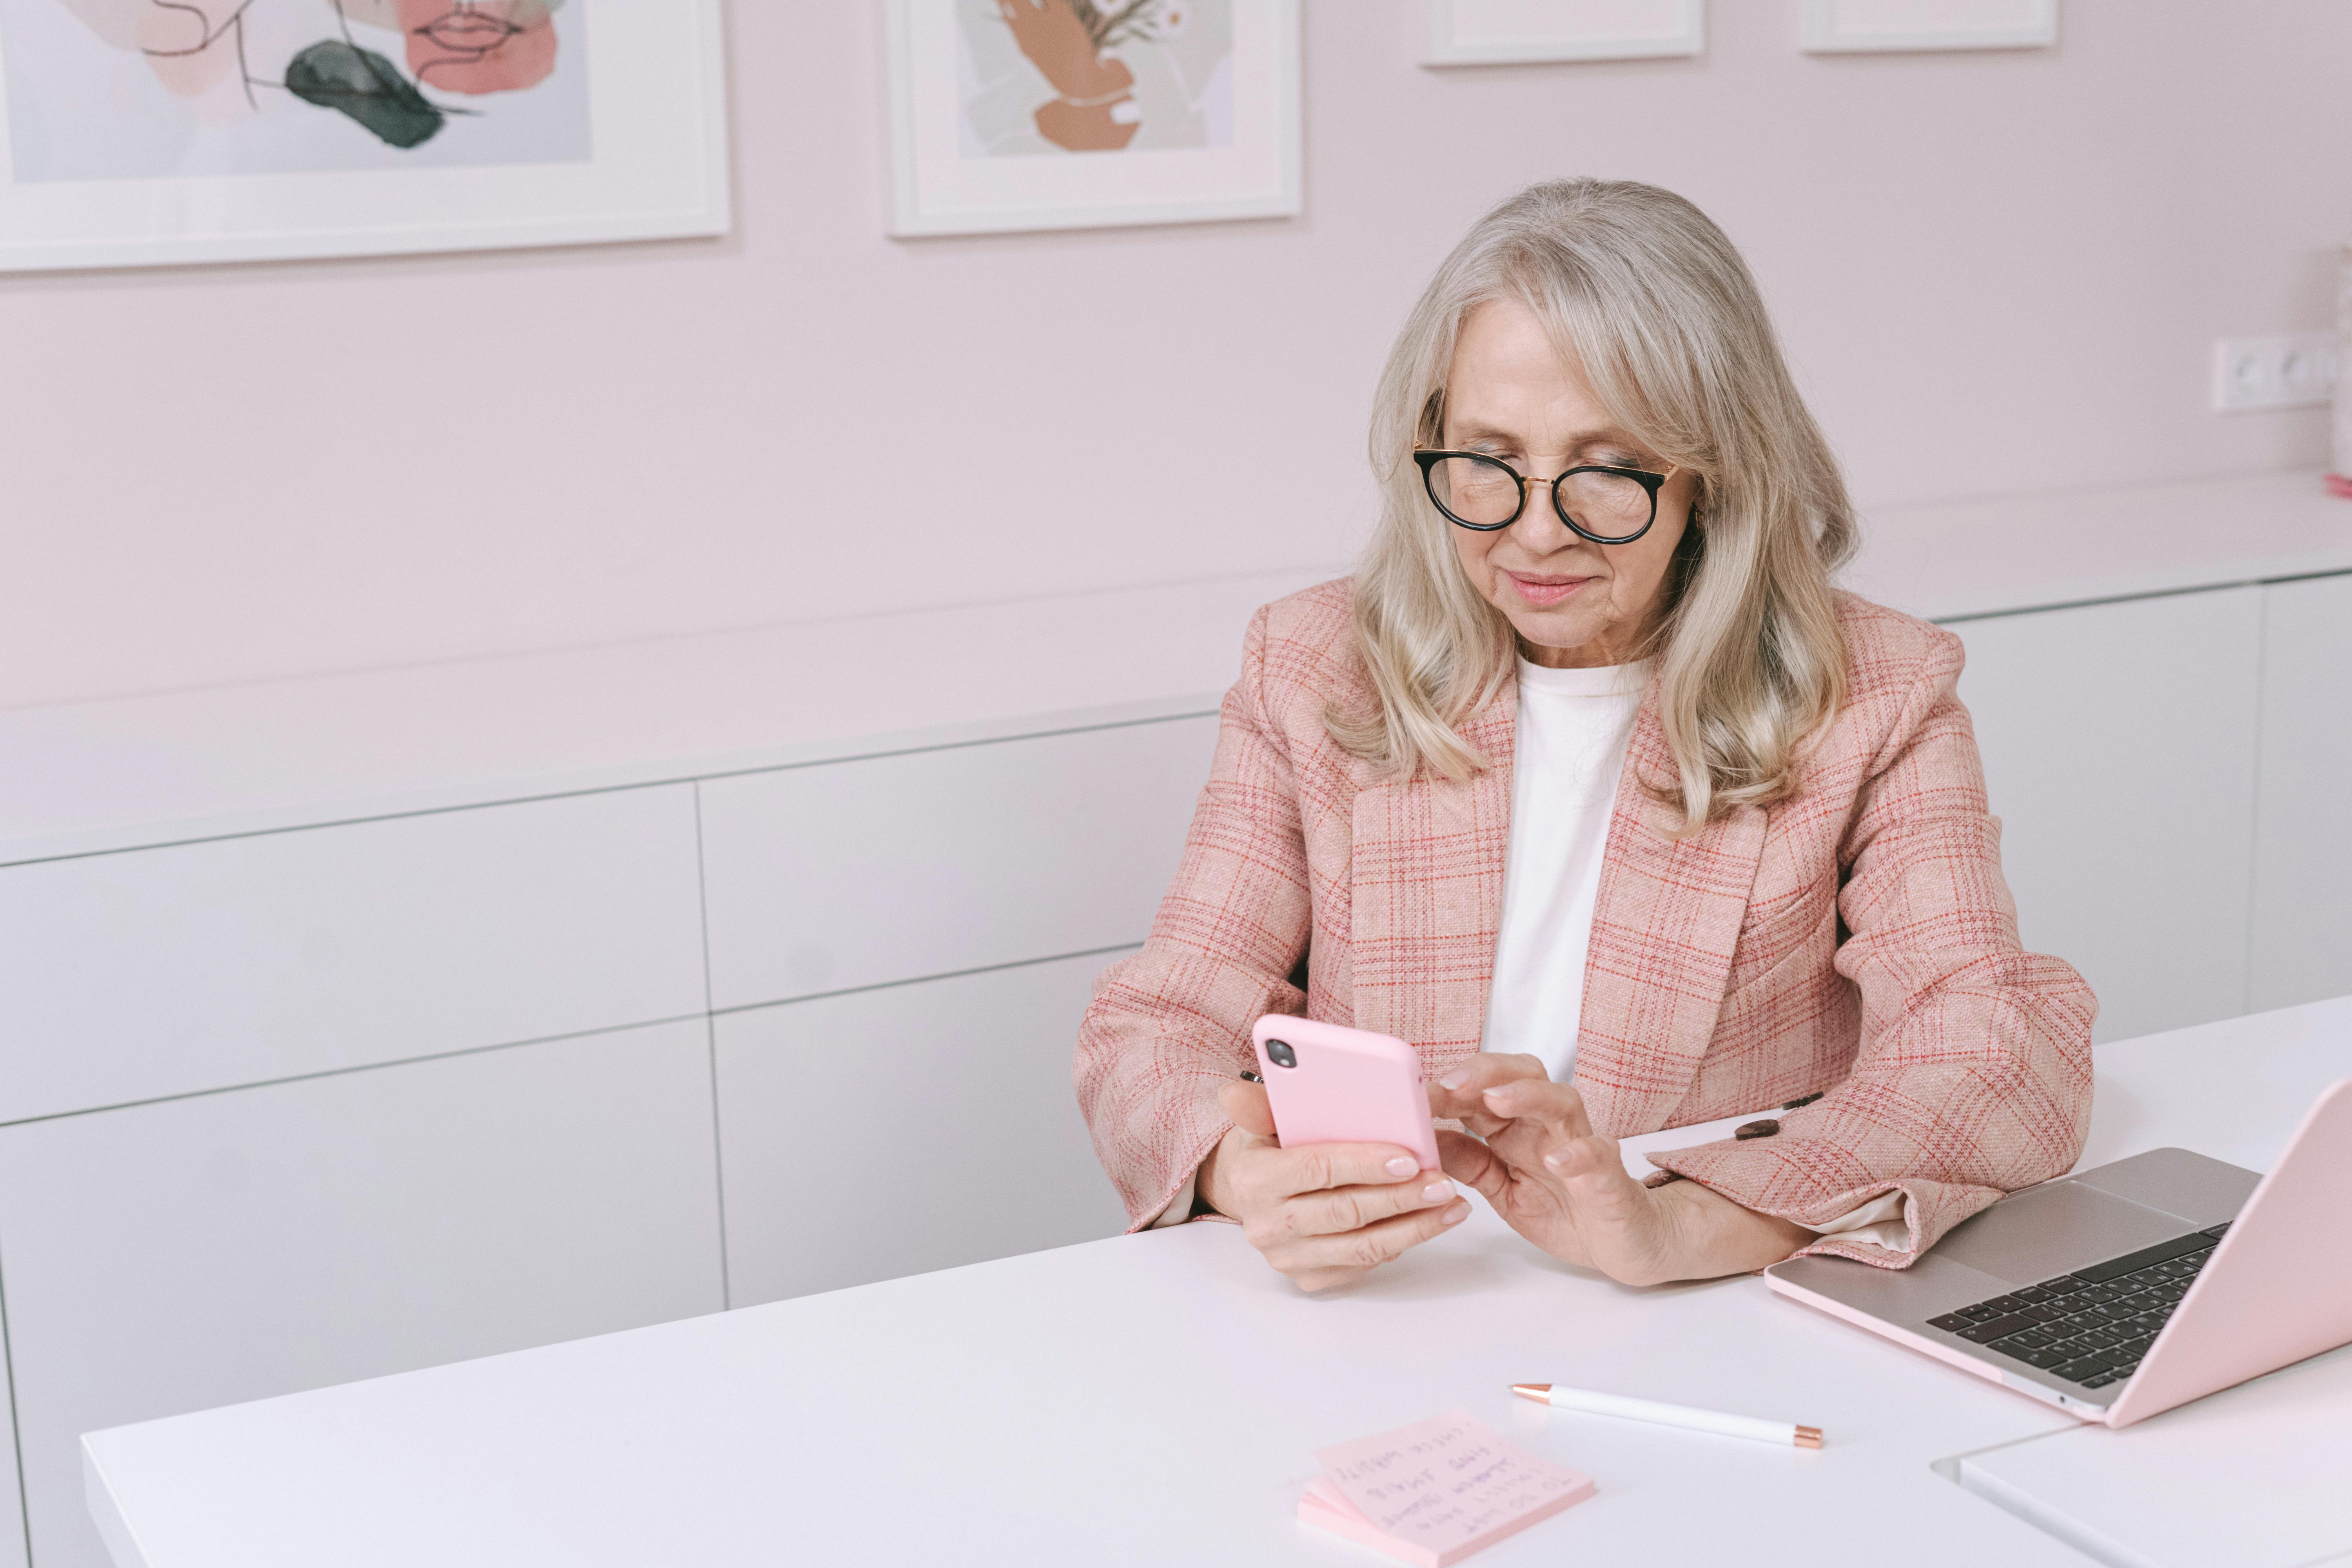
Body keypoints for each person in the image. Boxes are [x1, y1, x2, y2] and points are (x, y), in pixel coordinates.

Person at [1074, 178, 2096, 1293]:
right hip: (1400, 1289)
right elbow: (1156, 1023)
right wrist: (1235, 1166)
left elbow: (2001, 1045)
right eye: (1488, 458)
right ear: (1430, 442)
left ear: (1712, 474)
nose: (1536, 531)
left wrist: (1683, 1230)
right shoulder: (1311, 662)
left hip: (1708, 1293)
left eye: (1606, 472)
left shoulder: (1879, 691)